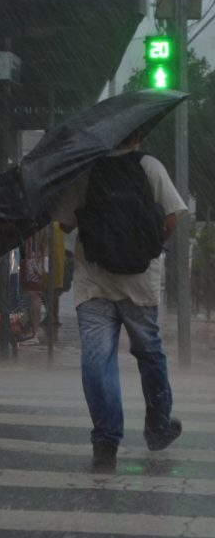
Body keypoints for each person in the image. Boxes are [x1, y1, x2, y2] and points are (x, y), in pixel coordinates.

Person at [51, 130, 187, 471]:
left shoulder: (85, 171)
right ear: (138, 135)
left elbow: (65, 225)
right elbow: (172, 217)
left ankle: (106, 442)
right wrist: (146, 244)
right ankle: (157, 428)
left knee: (98, 362)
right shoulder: (149, 166)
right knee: (149, 354)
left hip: (94, 281)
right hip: (139, 283)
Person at [18, 232, 43, 345]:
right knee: (26, 294)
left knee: (33, 294)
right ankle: (28, 330)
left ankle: (35, 333)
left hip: (31, 258)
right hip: (24, 256)